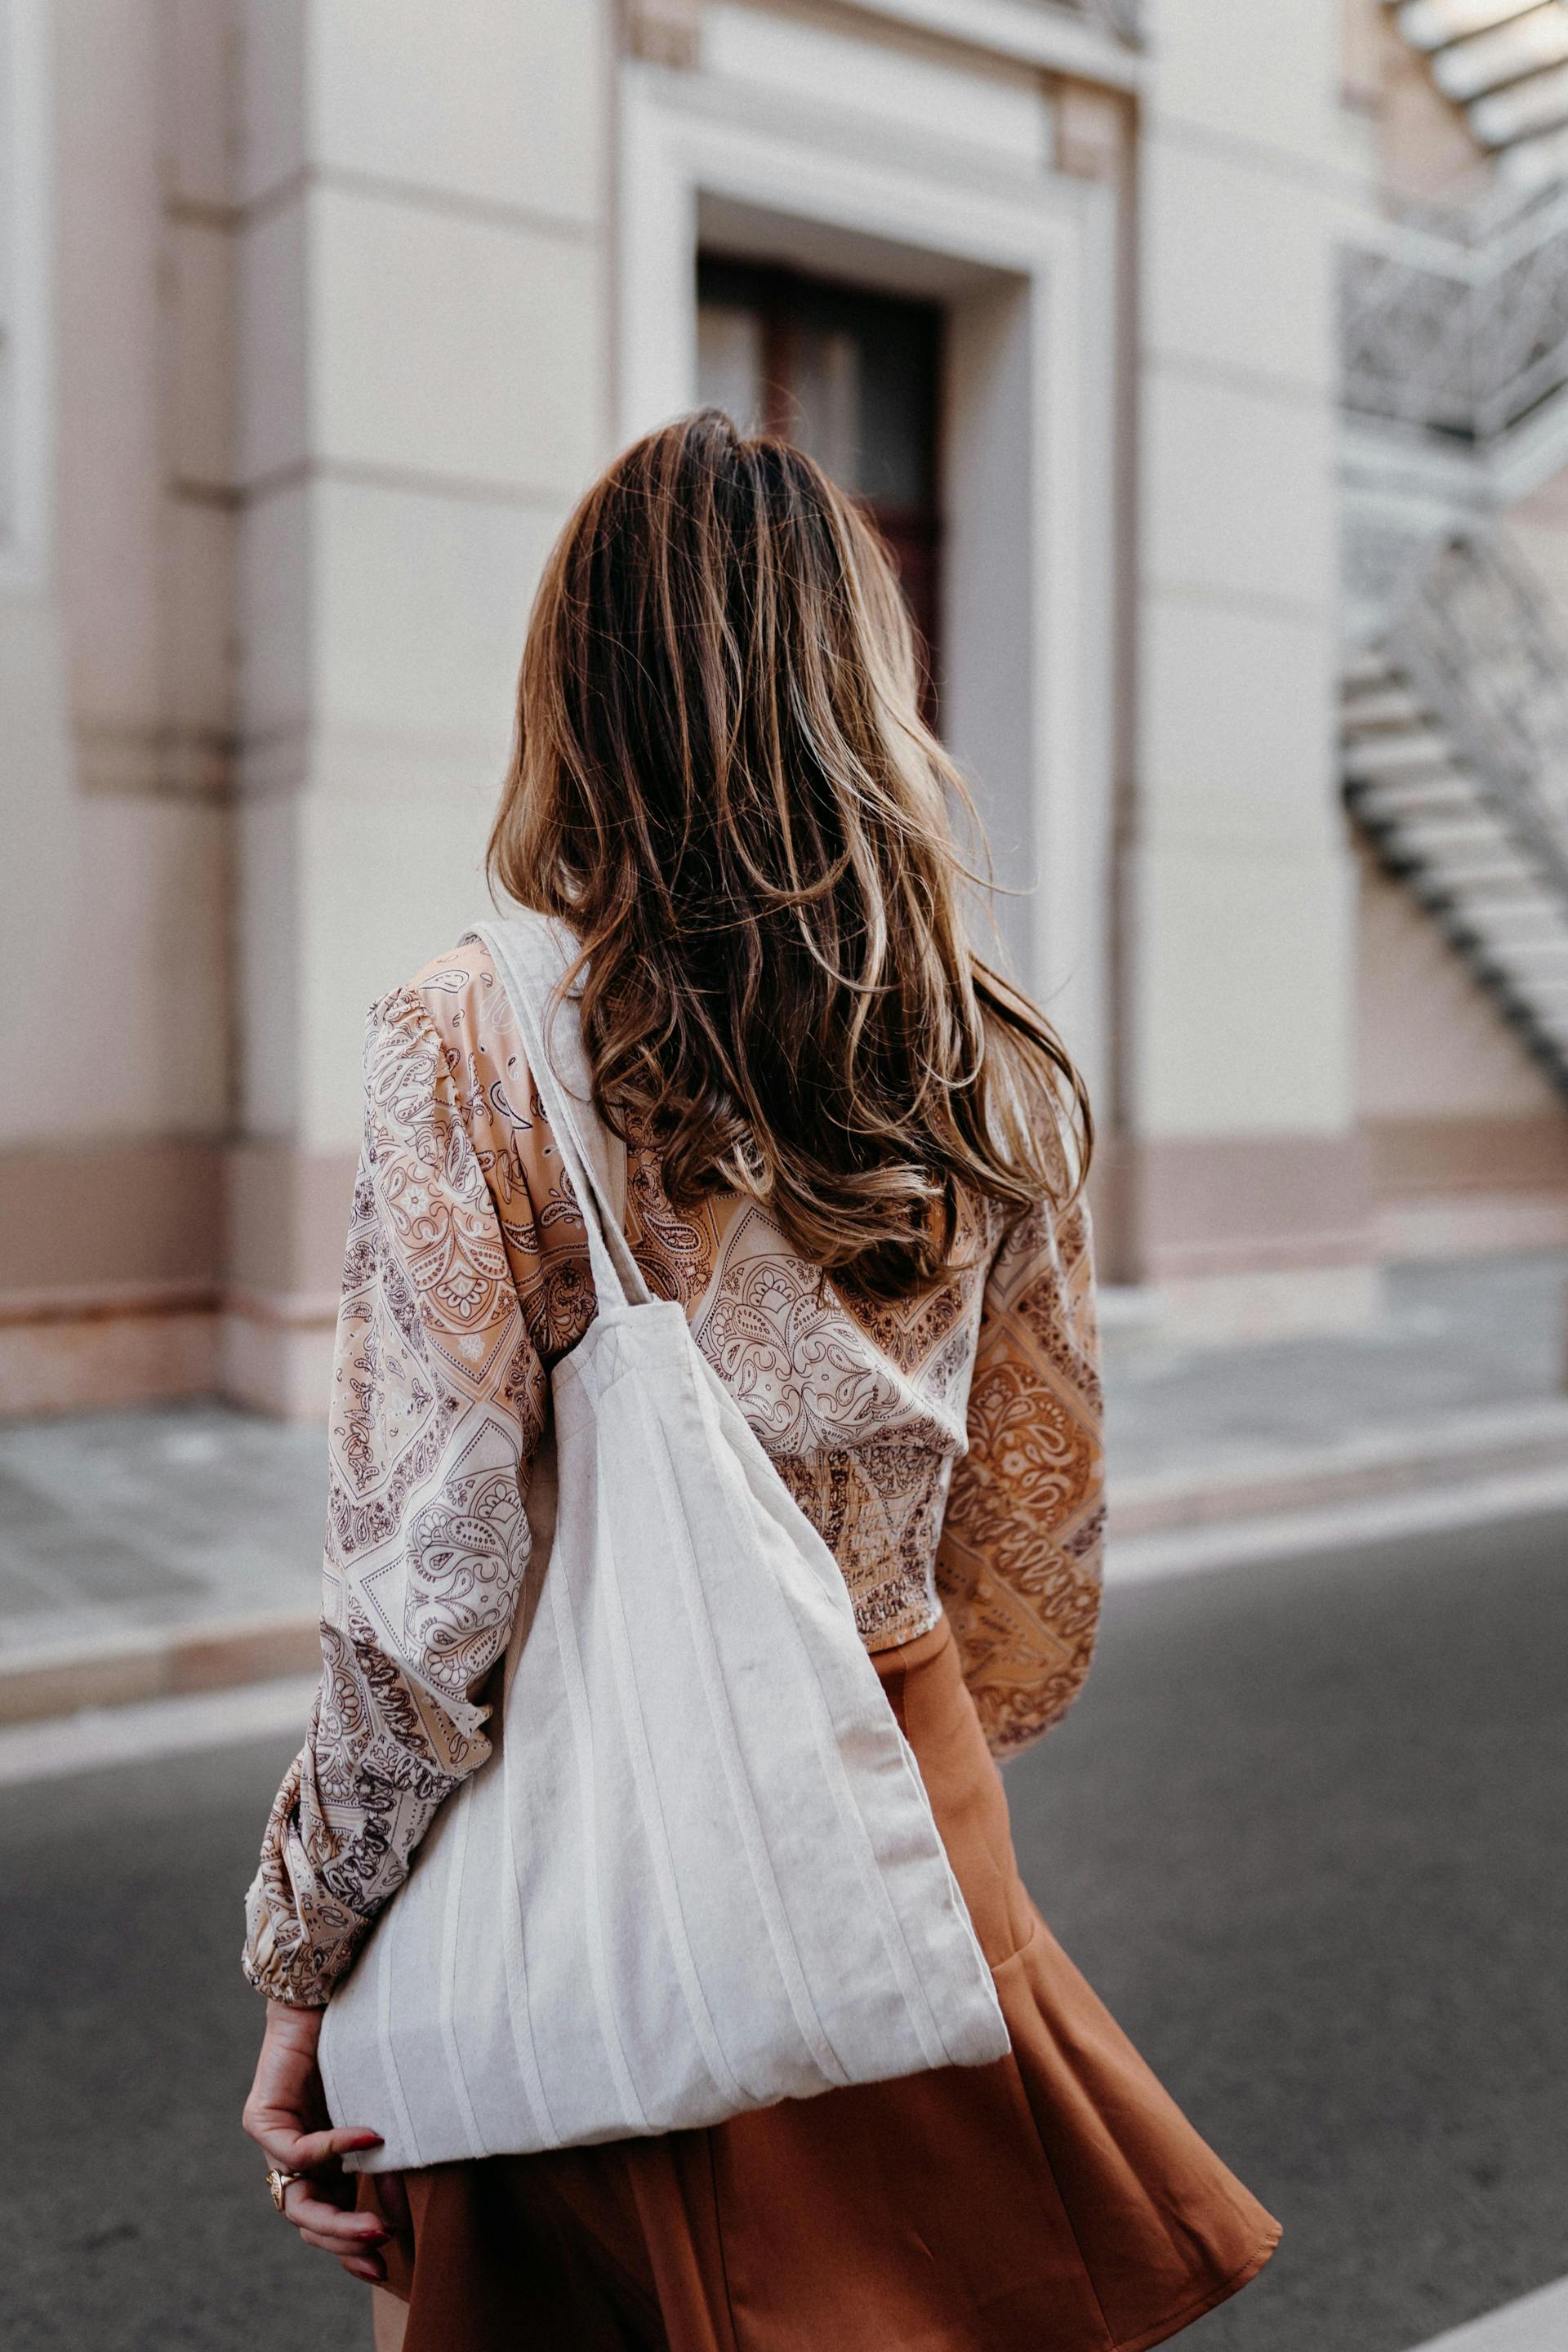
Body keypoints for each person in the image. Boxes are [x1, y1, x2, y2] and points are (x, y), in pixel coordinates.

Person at [240, 410, 1279, 2351]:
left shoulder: (466, 1044)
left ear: (574, 686)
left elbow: (425, 1594)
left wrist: (307, 1958)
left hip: (599, 1815)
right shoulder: (984, 1057)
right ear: (860, 686)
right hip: (901, 1799)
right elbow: (1032, 1557)